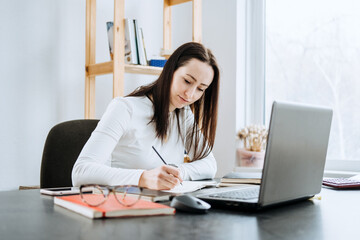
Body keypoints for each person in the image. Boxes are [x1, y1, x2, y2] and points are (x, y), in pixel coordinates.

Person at [72, 42, 220, 190]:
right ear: (170, 71)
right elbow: (80, 172)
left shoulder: (183, 114)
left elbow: (209, 164)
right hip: (124, 203)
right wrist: (143, 177)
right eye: (187, 81)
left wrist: (176, 171)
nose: (190, 94)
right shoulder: (125, 108)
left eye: (200, 89)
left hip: (165, 205)